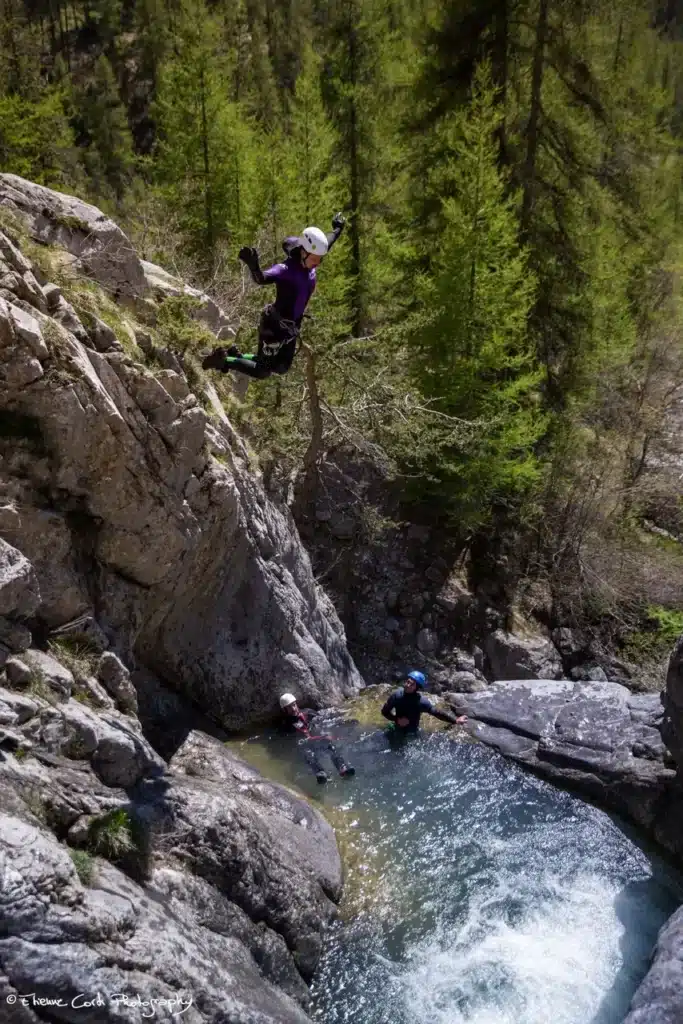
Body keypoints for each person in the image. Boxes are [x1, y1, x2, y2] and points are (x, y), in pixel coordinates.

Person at [202, 214, 346, 380]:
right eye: (315, 259)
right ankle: (223, 360)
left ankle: (235, 355)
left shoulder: (311, 257)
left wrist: (337, 228)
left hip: (291, 327)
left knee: (281, 367)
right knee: (262, 371)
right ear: (303, 252)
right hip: (274, 325)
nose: (317, 263)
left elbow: (328, 241)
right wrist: (254, 267)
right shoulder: (286, 269)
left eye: (320, 259)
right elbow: (262, 279)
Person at [279, 692, 355, 784]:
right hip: (305, 744)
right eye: (289, 707)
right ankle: (320, 772)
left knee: (329, 745)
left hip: (316, 738)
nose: (293, 709)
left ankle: (342, 767)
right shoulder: (286, 724)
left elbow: (323, 719)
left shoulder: (307, 712)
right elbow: (287, 739)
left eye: (294, 705)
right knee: (308, 754)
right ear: (284, 710)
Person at [381, 670, 467, 735]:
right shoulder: (396, 696)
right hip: (397, 727)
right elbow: (384, 712)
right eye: (408, 682)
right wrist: (396, 719)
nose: (407, 685)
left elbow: (437, 713)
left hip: (412, 732)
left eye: (411, 684)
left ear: (417, 688)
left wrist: (455, 720)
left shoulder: (421, 702)